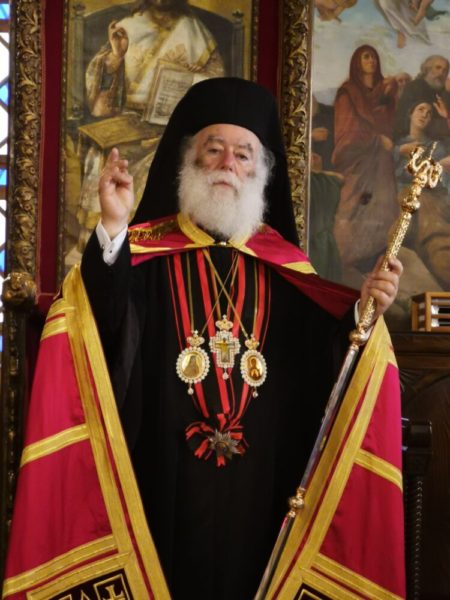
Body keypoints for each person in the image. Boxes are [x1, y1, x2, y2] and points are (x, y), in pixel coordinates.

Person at [78, 78, 402, 598]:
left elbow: (323, 359)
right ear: (190, 160)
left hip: (261, 481)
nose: (228, 163)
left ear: (261, 172)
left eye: (244, 154)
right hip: (162, 474)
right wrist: (114, 229)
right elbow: (103, 326)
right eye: (214, 149)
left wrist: (363, 313)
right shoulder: (144, 256)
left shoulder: (285, 269)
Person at [68, 0, 224, 266]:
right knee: (106, 158)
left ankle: (156, 253)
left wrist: (192, 81)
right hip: (130, 123)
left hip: (176, 129)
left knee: (168, 161)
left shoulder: (197, 33)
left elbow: (217, 92)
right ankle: (104, 252)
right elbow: (100, 106)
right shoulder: (125, 29)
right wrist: (116, 57)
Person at [332, 44, 399, 273]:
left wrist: (390, 96)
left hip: (382, 163)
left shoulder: (384, 91)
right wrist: (377, 140)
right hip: (358, 161)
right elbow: (347, 130)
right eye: (366, 57)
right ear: (357, 62)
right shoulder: (348, 92)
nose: (371, 61)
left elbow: (389, 122)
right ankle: (347, 258)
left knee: (383, 204)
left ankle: (376, 258)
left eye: (374, 57)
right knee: (353, 204)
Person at [394, 100, 450, 290]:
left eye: (429, 113)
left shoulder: (437, 147)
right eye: (420, 109)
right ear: (410, 113)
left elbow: (439, 179)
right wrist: (400, 151)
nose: (425, 114)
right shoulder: (398, 145)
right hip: (407, 196)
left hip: (432, 197)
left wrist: (439, 167)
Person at [394, 55, 450, 140]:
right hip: (414, 140)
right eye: (438, 68)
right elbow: (404, 120)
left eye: (445, 70)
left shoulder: (445, 92)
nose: (441, 73)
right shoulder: (414, 88)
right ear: (428, 69)